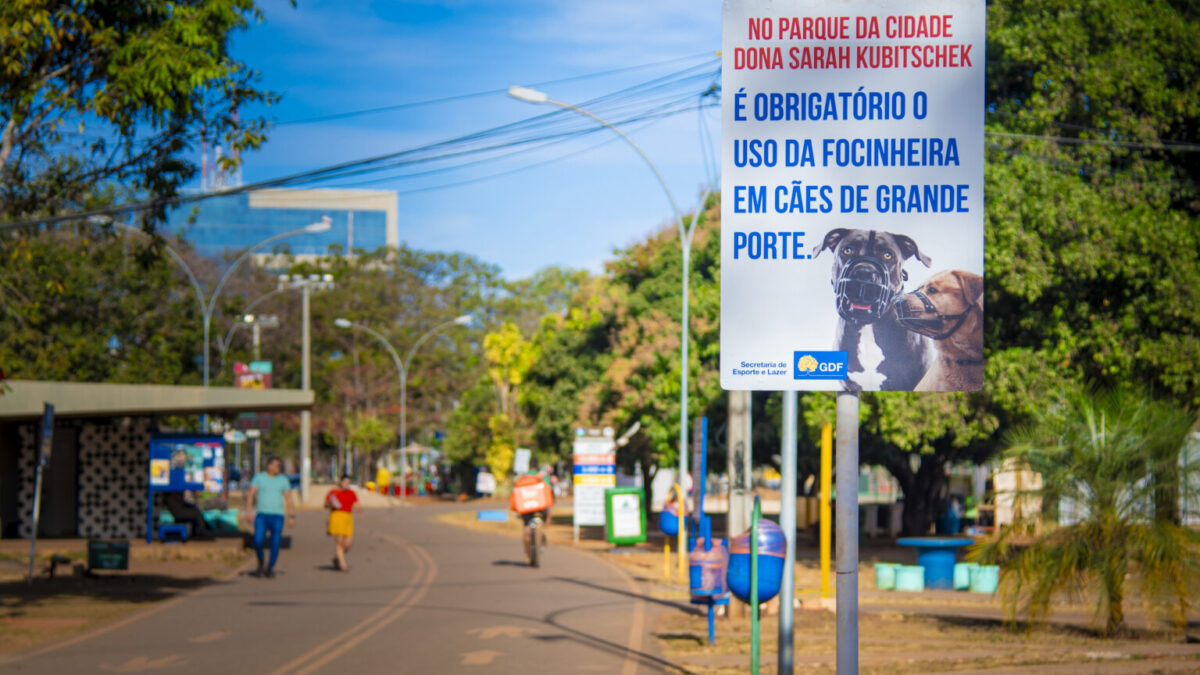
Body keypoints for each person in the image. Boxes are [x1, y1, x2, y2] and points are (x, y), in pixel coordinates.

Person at [245, 456, 296, 578]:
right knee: (257, 540)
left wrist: (292, 515)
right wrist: (248, 511)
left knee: (275, 542)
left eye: (280, 465)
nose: (278, 468)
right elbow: (251, 495)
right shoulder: (259, 478)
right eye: (276, 465)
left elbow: (288, 498)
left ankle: (270, 567)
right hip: (262, 515)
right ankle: (261, 561)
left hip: (277, 516)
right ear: (269, 466)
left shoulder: (283, 480)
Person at [325, 475, 360, 572]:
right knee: (339, 542)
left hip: (348, 517)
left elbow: (356, 503)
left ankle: (337, 558)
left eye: (348, 482)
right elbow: (326, 504)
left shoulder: (351, 493)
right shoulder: (334, 492)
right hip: (336, 516)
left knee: (348, 544)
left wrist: (360, 512)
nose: (346, 484)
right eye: (345, 482)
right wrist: (331, 504)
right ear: (341, 482)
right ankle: (343, 564)